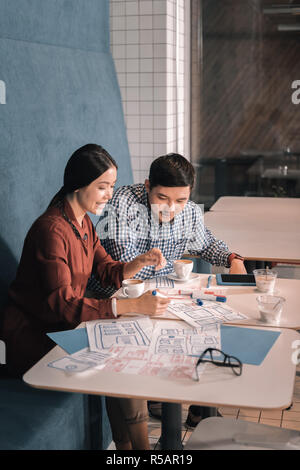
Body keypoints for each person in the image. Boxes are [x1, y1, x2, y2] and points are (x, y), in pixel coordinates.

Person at [0, 144, 170, 450]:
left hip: (64, 326)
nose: (109, 195)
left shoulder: (83, 223)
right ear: (79, 184)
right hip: (33, 338)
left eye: (112, 187)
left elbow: (105, 268)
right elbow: (62, 303)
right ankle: (140, 450)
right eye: (102, 187)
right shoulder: (51, 230)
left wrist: (139, 262)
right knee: (122, 352)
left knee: (123, 347)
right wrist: (129, 305)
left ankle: (126, 449)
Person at [91, 152, 247, 428]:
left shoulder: (186, 210)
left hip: (162, 295)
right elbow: (128, 272)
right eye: (162, 199)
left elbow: (204, 242)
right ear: (148, 185)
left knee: (211, 322)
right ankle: (161, 399)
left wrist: (233, 259)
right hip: (119, 299)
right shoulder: (122, 205)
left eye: (180, 201)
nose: (171, 209)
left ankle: (200, 409)